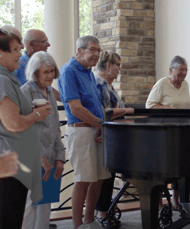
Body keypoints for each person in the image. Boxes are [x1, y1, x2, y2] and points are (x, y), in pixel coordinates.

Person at [0, 27, 51, 229]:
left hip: (13, 163)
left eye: (20, 49)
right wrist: (38, 115)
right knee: (8, 220)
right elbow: (13, 124)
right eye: (15, 50)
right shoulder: (1, 80)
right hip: (8, 165)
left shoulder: (6, 78)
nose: (20, 54)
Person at [58, 35, 111, 229]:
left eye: (99, 50)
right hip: (80, 132)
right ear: (79, 50)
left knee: (98, 179)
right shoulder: (69, 71)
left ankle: (90, 221)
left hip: (96, 130)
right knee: (83, 180)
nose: (97, 54)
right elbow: (76, 109)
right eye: (92, 50)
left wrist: (101, 126)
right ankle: (77, 224)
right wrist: (101, 126)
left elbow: (96, 104)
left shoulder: (88, 72)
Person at [20, 51, 65, 229]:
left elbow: (55, 128)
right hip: (32, 158)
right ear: (35, 72)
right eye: (45, 72)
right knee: (30, 207)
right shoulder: (25, 92)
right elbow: (24, 130)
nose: (50, 76)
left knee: (45, 205)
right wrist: (40, 159)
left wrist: (60, 158)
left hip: (51, 157)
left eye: (52, 71)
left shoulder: (49, 94)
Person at [145, 55, 190, 208]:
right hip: (163, 135)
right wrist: (168, 109)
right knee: (163, 170)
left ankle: (177, 201)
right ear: (171, 70)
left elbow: (187, 108)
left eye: (186, 69)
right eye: (181, 69)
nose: (184, 73)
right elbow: (150, 105)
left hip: (181, 133)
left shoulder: (185, 85)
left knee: (182, 168)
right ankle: (159, 202)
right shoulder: (162, 83)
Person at [94, 51, 134, 221]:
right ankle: (101, 212)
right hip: (104, 135)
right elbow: (104, 112)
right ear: (108, 65)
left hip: (113, 136)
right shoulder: (100, 83)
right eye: (117, 65)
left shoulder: (109, 85)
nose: (120, 69)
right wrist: (125, 110)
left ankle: (104, 210)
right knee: (104, 176)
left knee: (109, 175)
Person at [14, 29, 61, 101]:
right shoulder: (18, 66)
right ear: (31, 44)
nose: (48, 45)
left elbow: (47, 88)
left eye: (52, 71)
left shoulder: (42, 63)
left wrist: (68, 100)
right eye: (44, 42)